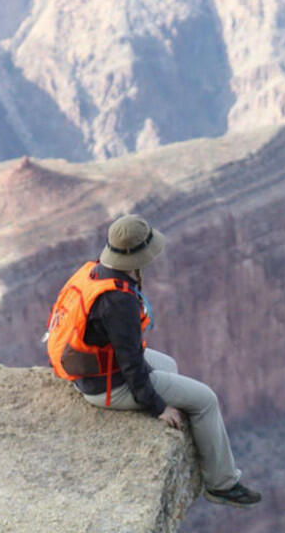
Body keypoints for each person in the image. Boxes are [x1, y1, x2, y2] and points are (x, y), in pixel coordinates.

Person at [46, 214, 261, 507]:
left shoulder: (93, 273)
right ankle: (222, 484)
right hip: (106, 386)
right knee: (206, 400)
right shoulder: (118, 301)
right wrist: (156, 406)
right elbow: (132, 363)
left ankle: (203, 454)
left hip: (88, 370)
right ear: (137, 256)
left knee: (169, 365)